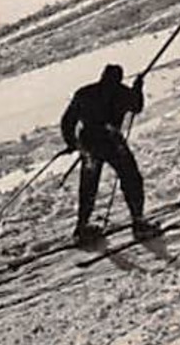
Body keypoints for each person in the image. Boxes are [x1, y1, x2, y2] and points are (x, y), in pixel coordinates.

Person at [61, 64, 159, 244]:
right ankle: (138, 222)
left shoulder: (84, 93)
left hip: (89, 144)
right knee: (131, 179)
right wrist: (138, 87)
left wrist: (72, 143)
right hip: (112, 143)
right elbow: (137, 106)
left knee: (88, 186)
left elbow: (67, 121)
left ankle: (82, 227)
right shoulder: (122, 93)